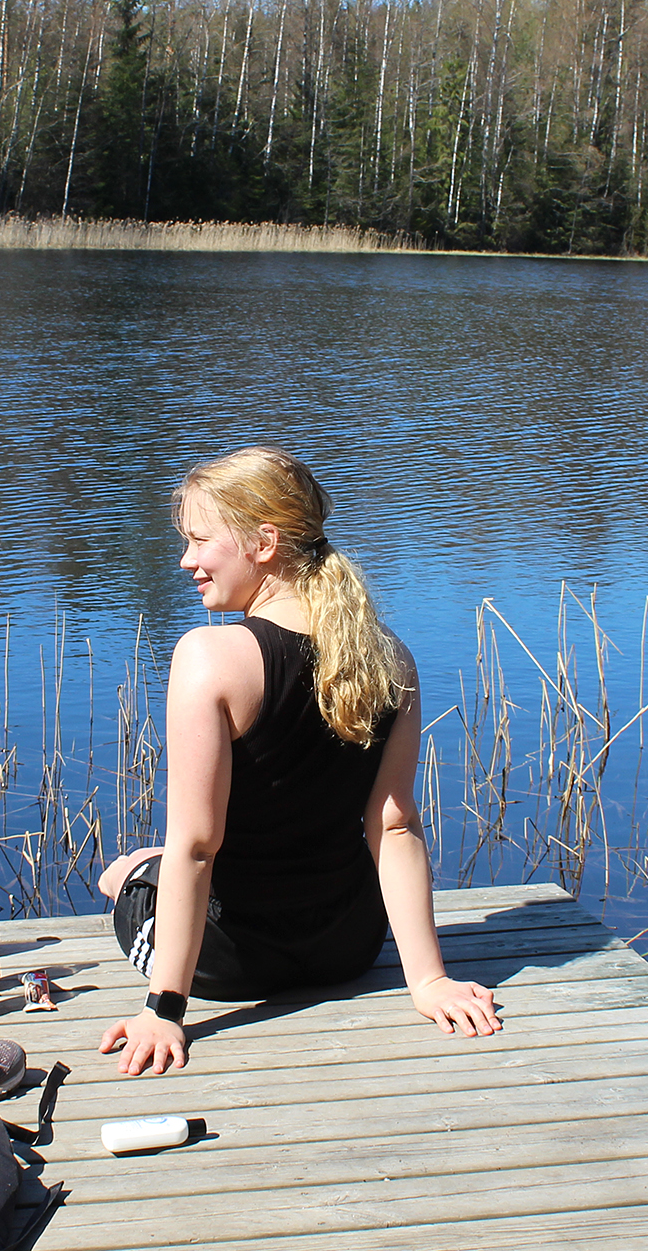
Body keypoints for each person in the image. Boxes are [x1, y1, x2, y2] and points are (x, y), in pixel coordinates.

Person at [98, 446, 503, 1076]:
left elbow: (198, 847)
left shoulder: (210, 657)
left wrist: (164, 1009)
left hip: (228, 963)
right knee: (165, 857)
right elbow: (393, 826)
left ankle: (127, 873)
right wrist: (428, 982)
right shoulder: (391, 657)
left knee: (131, 870)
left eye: (200, 540)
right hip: (347, 948)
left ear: (263, 541)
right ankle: (137, 868)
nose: (186, 561)